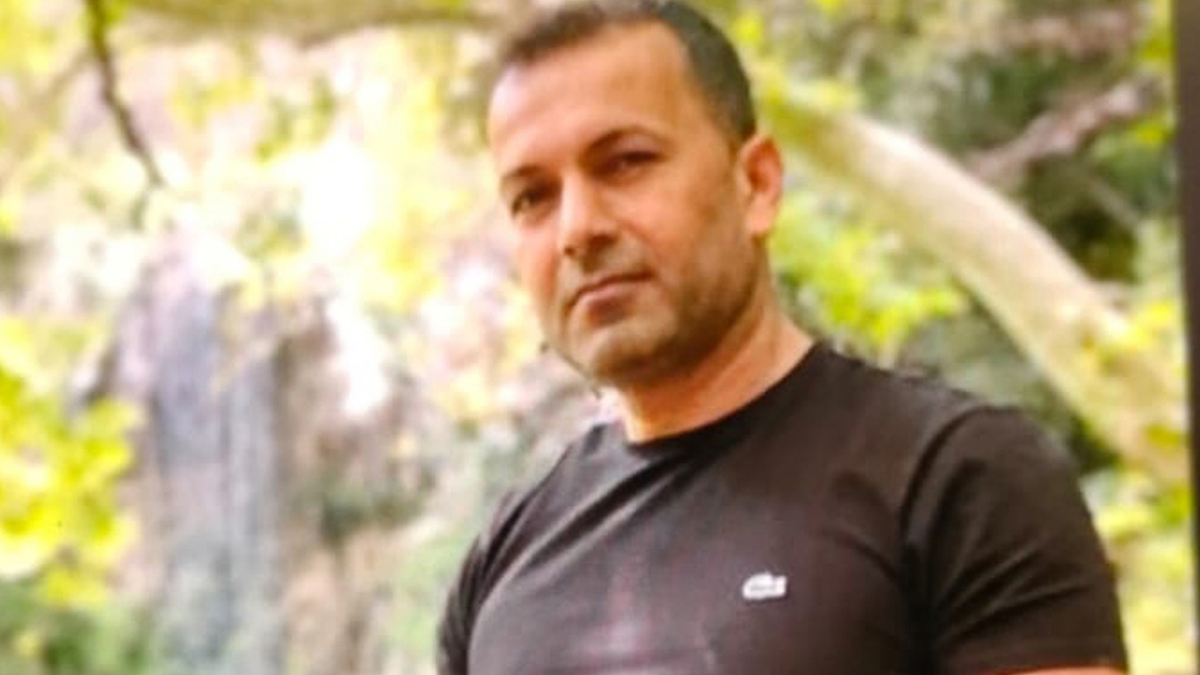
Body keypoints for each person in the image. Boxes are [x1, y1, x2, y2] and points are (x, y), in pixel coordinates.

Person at [436, 1, 1128, 673]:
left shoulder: (958, 481)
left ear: (757, 184)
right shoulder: (506, 558)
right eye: (533, 197)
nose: (578, 229)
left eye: (626, 162)